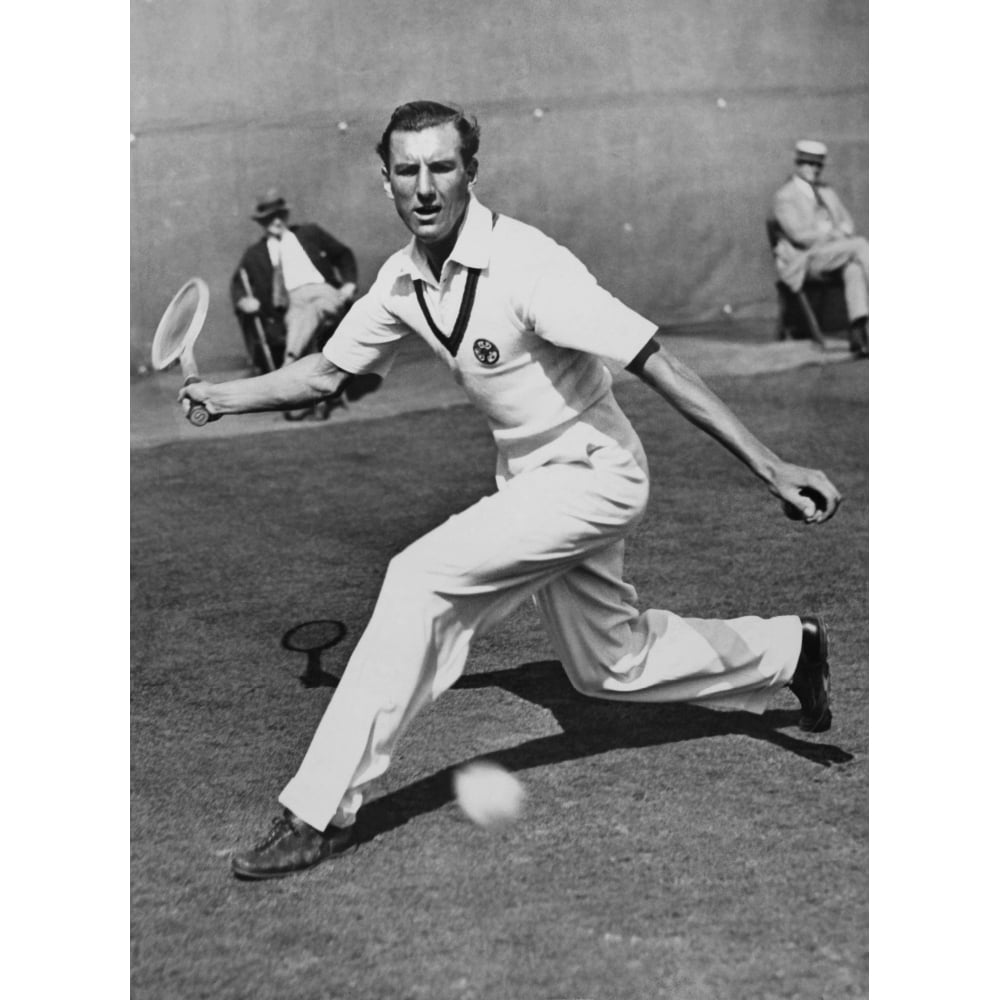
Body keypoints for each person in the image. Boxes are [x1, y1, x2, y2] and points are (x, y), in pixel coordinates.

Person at [182, 101, 843, 881]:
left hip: (596, 475)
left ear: (470, 171)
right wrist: (225, 396)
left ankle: (315, 812)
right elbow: (326, 371)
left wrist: (773, 467)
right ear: (385, 178)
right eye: (407, 170)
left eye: (442, 167)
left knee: (418, 579)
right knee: (610, 668)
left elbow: (654, 360)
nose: (425, 187)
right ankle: (790, 649)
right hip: (530, 479)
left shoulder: (530, 265)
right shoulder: (400, 282)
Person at [232, 191, 360, 417]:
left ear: (286, 215)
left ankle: (288, 368)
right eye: (270, 218)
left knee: (314, 311)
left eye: (280, 215)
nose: (277, 221)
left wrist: (349, 284)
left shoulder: (310, 233)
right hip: (293, 305)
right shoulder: (255, 254)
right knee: (309, 316)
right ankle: (318, 394)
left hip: (325, 293)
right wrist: (243, 300)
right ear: (261, 222)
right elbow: (238, 283)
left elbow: (343, 255)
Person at [768, 140, 869, 358]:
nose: (813, 170)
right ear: (798, 164)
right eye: (808, 164)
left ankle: (859, 333)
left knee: (854, 268)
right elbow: (799, 236)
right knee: (861, 245)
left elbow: (847, 223)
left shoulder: (827, 191)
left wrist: (837, 231)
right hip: (807, 261)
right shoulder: (785, 196)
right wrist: (830, 233)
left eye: (818, 166)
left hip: (836, 254)